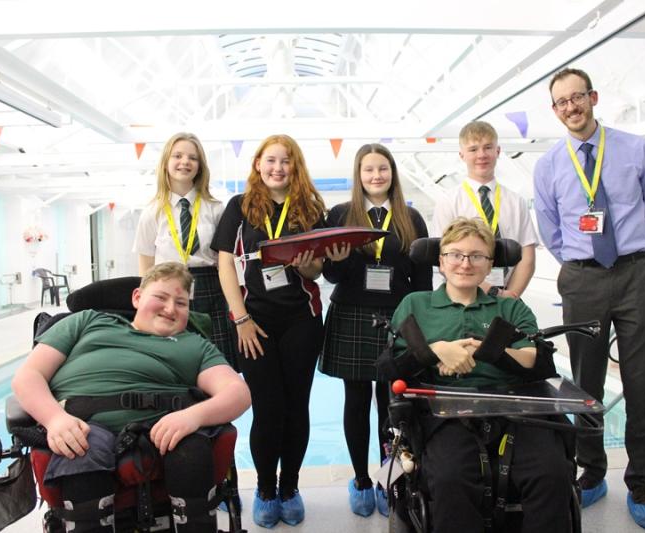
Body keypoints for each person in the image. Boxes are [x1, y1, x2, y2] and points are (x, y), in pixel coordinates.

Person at [11, 262, 252, 533]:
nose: (171, 308)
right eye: (160, 297)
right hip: (83, 423)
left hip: (161, 428)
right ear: (137, 297)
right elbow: (28, 376)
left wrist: (192, 416)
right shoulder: (87, 321)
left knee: (192, 448)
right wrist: (54, 419)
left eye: (181, 303)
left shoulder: (194, 345)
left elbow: (237, 392)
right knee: (80, 450)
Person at [533, 67, 645, 531]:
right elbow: (551, 230)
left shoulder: (637, 149)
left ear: (592, 97)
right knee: (585, 384)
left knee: (640, 383)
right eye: (561, 102)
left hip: (636, 274)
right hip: (582, 279)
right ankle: (592, 472)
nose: (571, 107)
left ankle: (642, 482)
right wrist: (583, 262)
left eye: (577, 97)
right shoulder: (549, 164)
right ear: (554, 111)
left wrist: (632, 257)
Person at [388, 217, 571, 533]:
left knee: (551, 472)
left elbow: (539, 362)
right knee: (450, 476)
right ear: (441, 261)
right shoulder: (415, 304)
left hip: (514, 407)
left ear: (490, 266)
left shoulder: (509, 308)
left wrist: (488, 350)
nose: (465, 263)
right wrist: (437, 350)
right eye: (455, 254)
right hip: (443, 411)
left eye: (477, 256)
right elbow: (389, 367)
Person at [211, 134, 327, 528]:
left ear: (296, 167)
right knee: (267, 409)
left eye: (286, 161)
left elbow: (316, 273)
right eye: (271, 160)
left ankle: (290, 487)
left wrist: (308, 264)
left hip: (301, 320)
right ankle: (264, 487)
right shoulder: (239, 207)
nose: (278, 168)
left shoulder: (309, 209)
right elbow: (226, 264)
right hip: (254, 322)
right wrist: (240, 318)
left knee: (297, 408)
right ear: (258, 163)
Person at [320, 142, 432, 517]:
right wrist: (334, 262)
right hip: (352, 312)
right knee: (355, 401)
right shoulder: (340, 215)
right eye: (368, 170)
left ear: (392, 173)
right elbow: (331, 275)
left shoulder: (410, 218)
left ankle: (391, 478)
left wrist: (421, 327)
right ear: (358, 175)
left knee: (393, 403)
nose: (376, 176)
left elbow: (423, 280)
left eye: (382, 169)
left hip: (397, 315)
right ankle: (361, 480)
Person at [133, 132, 236, 368]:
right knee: (174, 360)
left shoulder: (216, 209)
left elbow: (226, 261)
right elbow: (146, 263)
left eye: (193, 158)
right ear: (166, 163)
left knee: (215, 361)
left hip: (210, 287)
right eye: (177, 156)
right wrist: (146, 301)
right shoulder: (152, 212)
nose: (185, 162)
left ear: (200, 166)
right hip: (166, 287)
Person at [430, 121, 537, 299]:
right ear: (462, 155)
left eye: (488, 147)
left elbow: (527, 257)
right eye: (473, 149)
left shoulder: (516, 202)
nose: (481, 155)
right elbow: (444, 256)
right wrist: (492, 291)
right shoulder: (448, 201)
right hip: (461, 298)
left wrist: (510, 296)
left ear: (498, 151)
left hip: (508, 297)